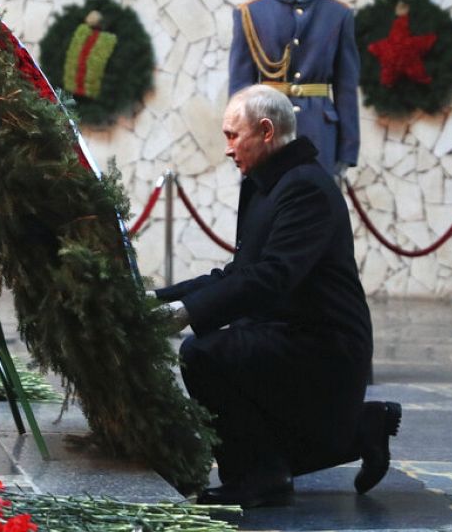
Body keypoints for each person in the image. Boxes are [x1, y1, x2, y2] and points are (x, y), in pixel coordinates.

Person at [153, 85, 401, 508]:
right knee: (228, 350)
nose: (228, 149)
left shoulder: (305, 187)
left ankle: (261, 476)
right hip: (287, 331)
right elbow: (237, 273)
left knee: (205, 354)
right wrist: (158, 298)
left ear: (266, 130)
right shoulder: (268, 182)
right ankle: (361, 428)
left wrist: (187, 313)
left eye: (233, 135)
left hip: (326, 344)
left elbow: (274, 276)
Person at [228, 0, 360, 178]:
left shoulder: (337, 14)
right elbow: (240, 88)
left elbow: (346, 88)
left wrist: (347, 150)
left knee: (318, 212)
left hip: (320, 132)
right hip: (266, 131)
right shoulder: (250, 14)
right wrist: (239, 142)